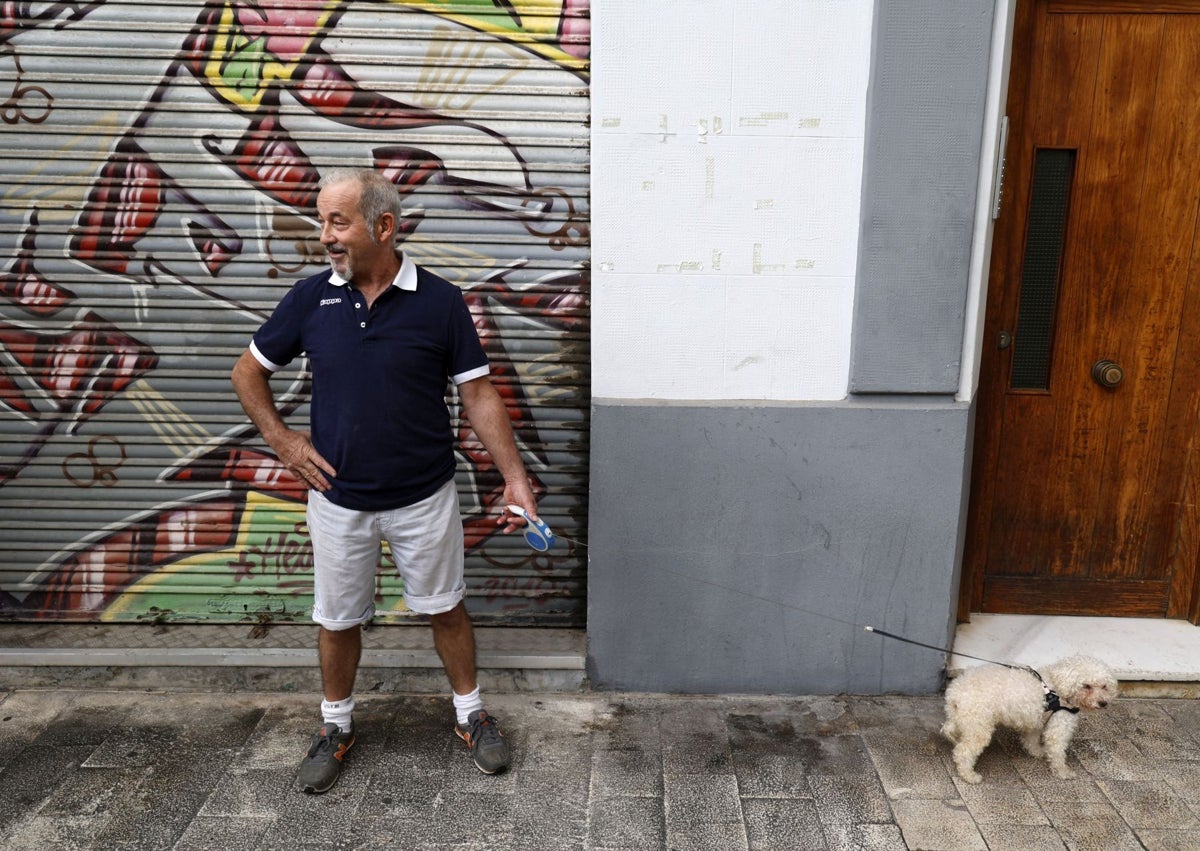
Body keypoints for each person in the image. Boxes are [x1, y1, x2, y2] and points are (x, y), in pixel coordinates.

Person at [231, 166, 539, 794]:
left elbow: (478, 394)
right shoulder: (310, 298)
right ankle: (336, 726)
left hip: (424, 497)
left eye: (337, 221)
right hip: (339, 500)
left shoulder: (440, 301)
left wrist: (515, 478)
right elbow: (247, 372)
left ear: (384, 226)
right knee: (337, 617)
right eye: (322, 221)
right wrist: (284, 442)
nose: (325, 236)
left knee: (445, 608)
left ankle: (470, 715)